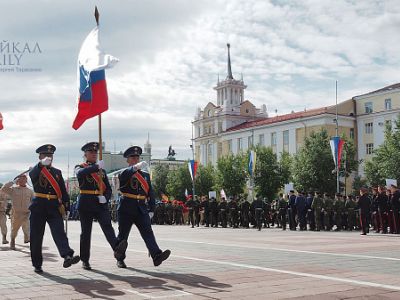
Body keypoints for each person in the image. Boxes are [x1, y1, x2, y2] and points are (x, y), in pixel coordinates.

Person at [75, 142, 127, 270]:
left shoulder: (102, 170)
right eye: (91, 152)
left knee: (108, 227)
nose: (94, 154)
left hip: (100, 202)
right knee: (86, 233)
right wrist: (96, 167)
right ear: (85, 154)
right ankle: (85, 260)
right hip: (86, 202)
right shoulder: (79, 166)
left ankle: (117, 250)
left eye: (95, 152)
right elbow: (80, 174)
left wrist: (106, 198)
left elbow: (108, 189)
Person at [116, 146, 170, 268]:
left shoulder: (145, 175)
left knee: (148, 233)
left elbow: (150, 192)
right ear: (128, 160)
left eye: (137, 157)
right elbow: (124, 175)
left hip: (141, 208)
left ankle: (156, 256)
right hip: (126, 208)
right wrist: (135, 168)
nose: (136, 159)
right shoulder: (125, 172)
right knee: (123, 235)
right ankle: (120, 258)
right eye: (133, 157)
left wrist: (152, 209)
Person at [29, 144, 80, 273]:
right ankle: (37, 264)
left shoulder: (57, 172)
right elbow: (33, 174)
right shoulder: (36, 169)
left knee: (59, 233)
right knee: (36, 236)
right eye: (46, 155)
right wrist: (41, 164)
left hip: (53, 206)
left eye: (50, 155)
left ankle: (67, 256)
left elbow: (63, 191)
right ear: (40, 156)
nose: (49, 157)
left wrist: (67, 207)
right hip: (38, 206)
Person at [1, 174, 33, 250]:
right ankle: (12, 241)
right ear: (17, 181)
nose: (22, 181)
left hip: (26, 213)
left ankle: (27, 238)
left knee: (27, 227)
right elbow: (3, 189)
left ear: (26, 181)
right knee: (14, 229)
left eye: (24, 179)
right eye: (20, 179)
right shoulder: (13, 190)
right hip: (16, 213)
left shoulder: (30, 191)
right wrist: (12, 182)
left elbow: (33, 201)